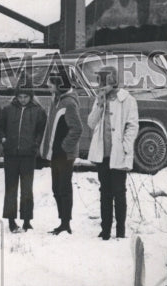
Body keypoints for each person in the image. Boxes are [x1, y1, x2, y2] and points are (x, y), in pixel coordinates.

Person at [87, 64, 139, 240]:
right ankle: (105, 229)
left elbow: (132, 125)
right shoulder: (99, 99)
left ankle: (121, 230)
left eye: (104, 79)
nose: (100, 84)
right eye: (99, 80)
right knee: (105, 192)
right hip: (103, 155)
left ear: (112, 80)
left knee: (119, 192)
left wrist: (125, 146)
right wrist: (99, 104)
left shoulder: (127, 99)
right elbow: (91, 123)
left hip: (118, 154)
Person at [0, 82, 47, 232]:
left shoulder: (38, 111)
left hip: (28, 156)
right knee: (11, 188)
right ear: (16, 96)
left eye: (26, 97)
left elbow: (41, 131)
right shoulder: (8, 110)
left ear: (31, 97)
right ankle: (11, 221)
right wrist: (3, 140)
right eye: (20, 96)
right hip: (10, 155)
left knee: (27, 189)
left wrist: (35, 145)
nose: (23, 99)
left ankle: (26, 221)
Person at [38, 68, 83, 235]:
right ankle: (62, 220)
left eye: (52, 83)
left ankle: (66, 223)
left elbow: (77, 129)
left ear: (60, 85)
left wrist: (65, 146)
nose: (49, 86)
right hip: (55, 152)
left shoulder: (69, 103)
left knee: (64, 188)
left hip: (65, 154)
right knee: (56, 188)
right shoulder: (56, 100)